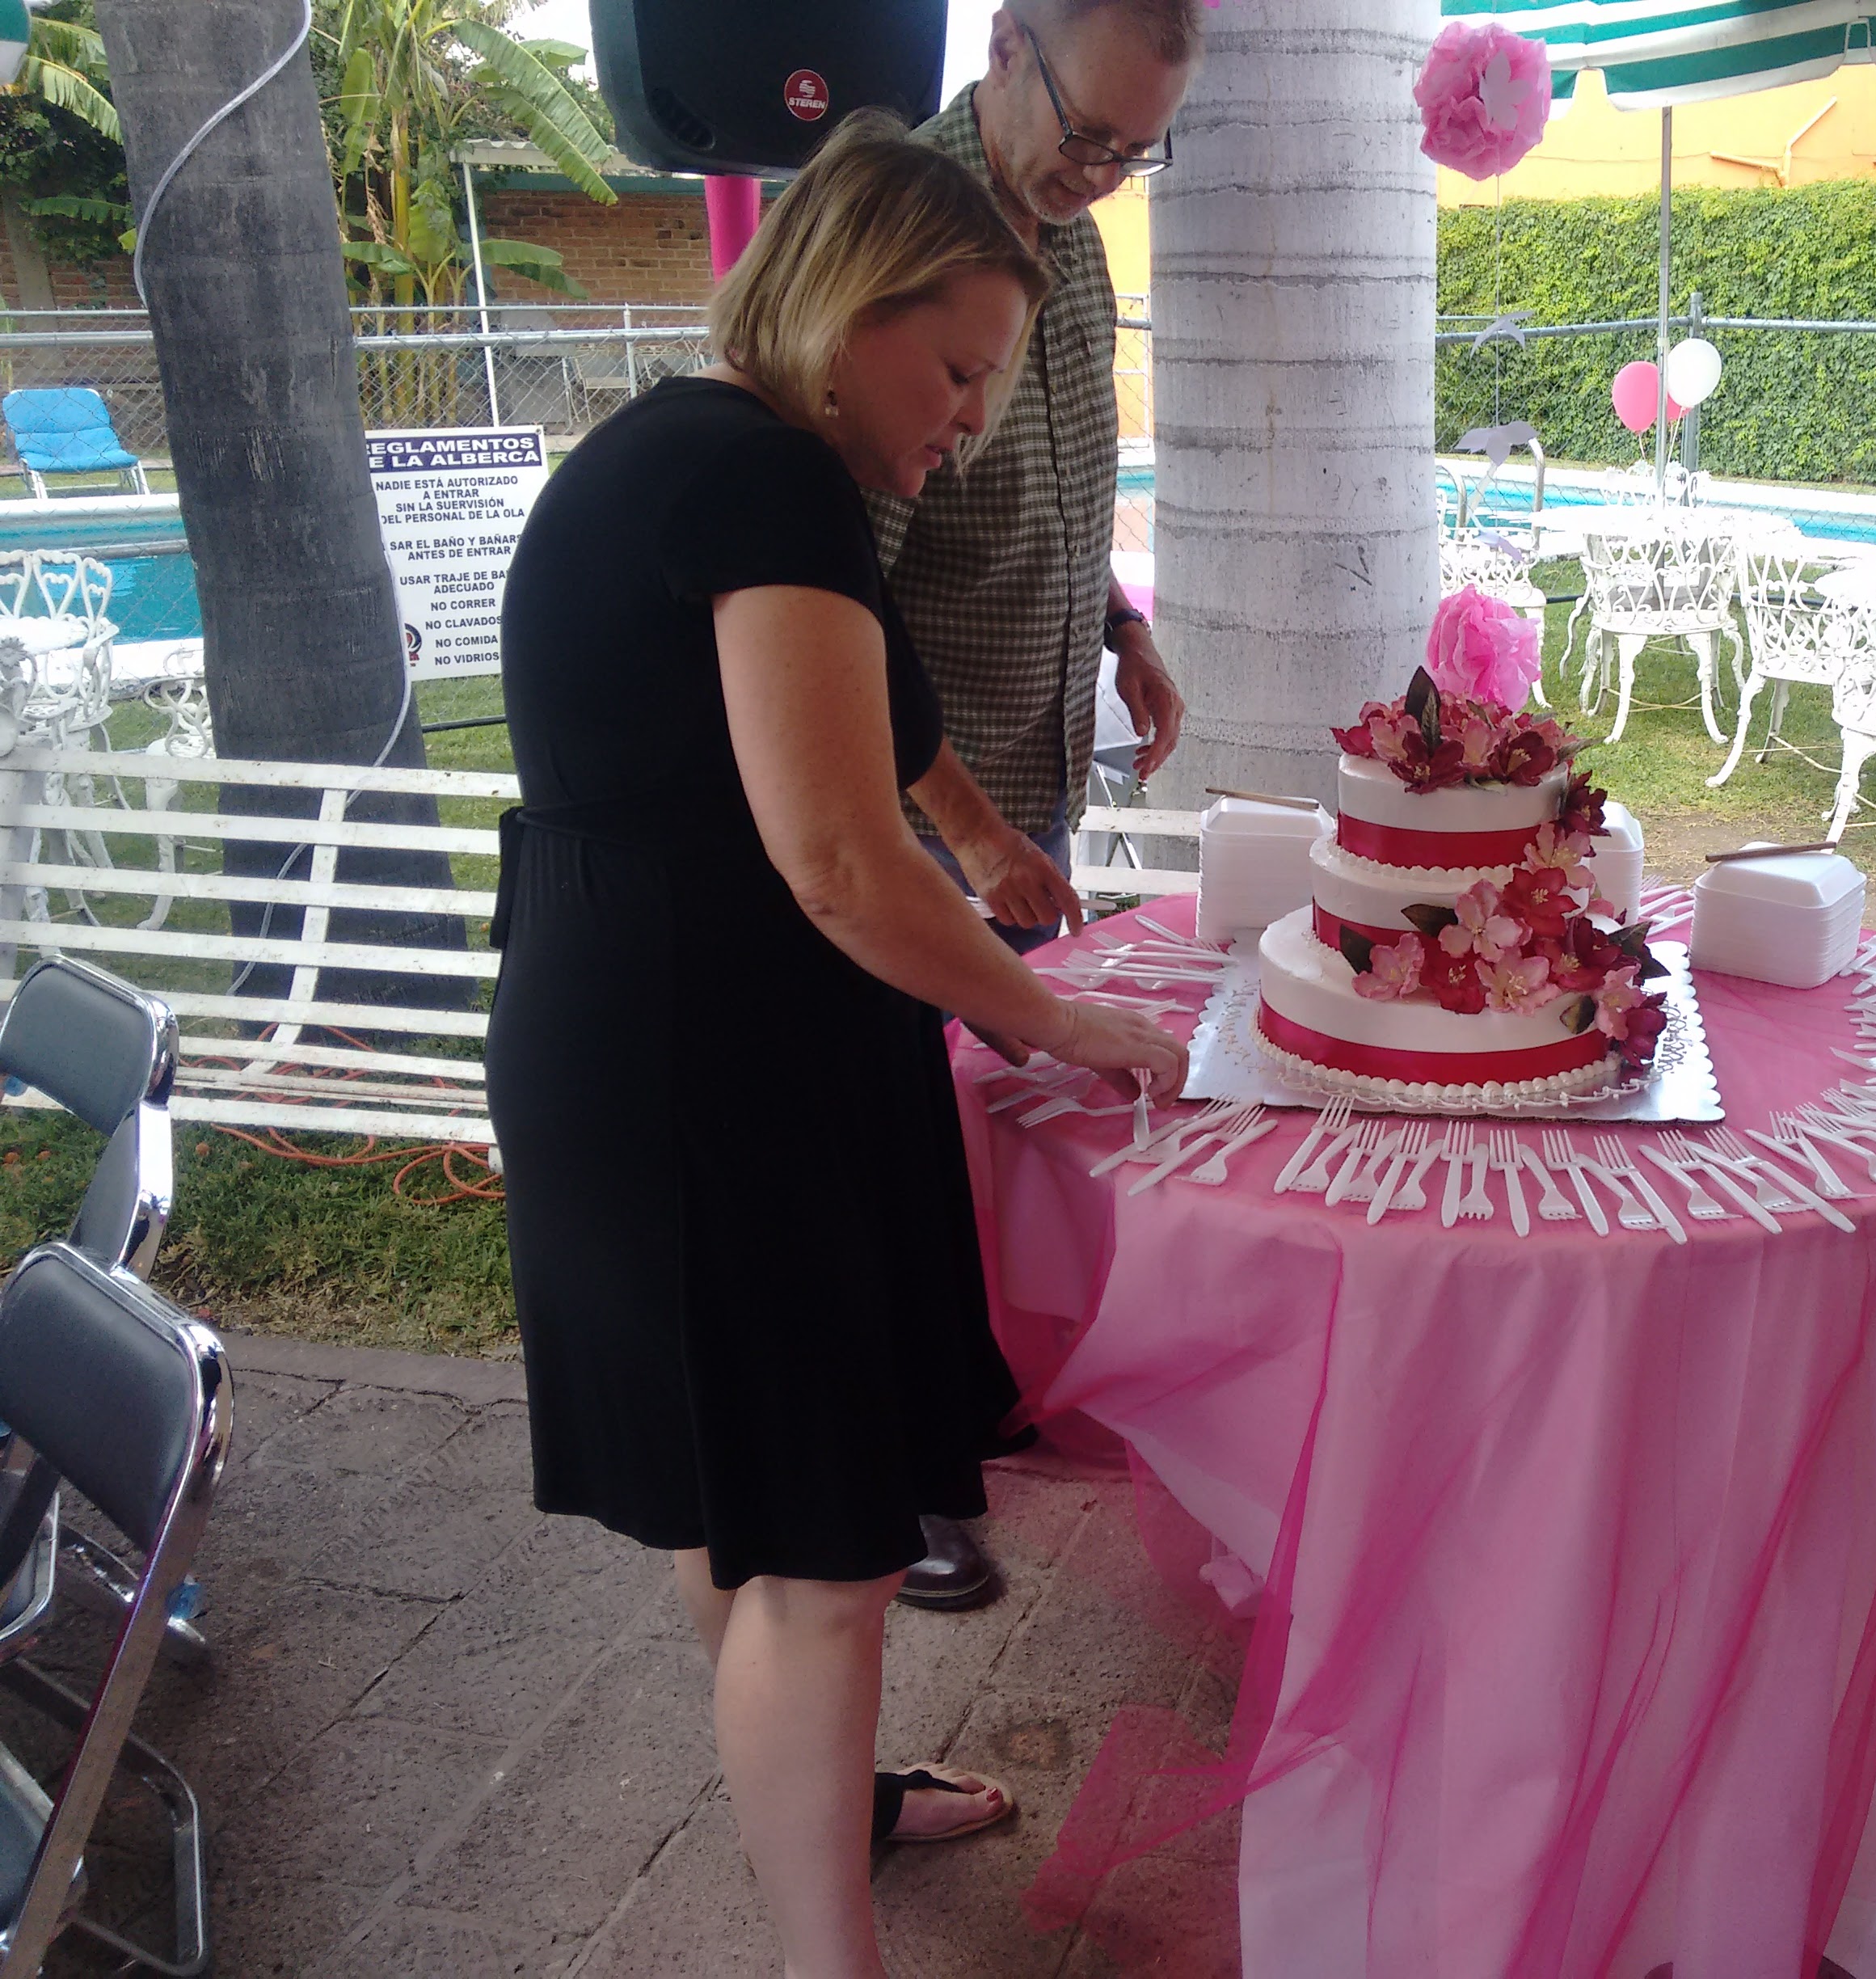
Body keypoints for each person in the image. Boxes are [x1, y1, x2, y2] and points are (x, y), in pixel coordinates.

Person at [486, 112, 1187, 1979]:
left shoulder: (692, 449)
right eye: (955, 367)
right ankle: (829, 1953)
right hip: (707, 1064)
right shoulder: (768, 483)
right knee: (823, 1550)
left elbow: (857, 730)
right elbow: (834, 858)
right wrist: (1055, 1013)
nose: (973, 414)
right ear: (850, 304)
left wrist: (985, 841)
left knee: (748, 1507)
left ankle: (833, 1807)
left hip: (636, 1029)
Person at [869, 0, 1203, 1610]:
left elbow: (1058, 488)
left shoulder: (1068, 240)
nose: (1103, 174)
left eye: (1137, 152)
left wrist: (1123, 629)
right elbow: (834, 602)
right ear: (1006, 46)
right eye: (1086, 135)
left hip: (1028, 775)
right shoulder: (902, 241)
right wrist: (967, 826)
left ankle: (978, 1390)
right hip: (907, 812)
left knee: (992, 1130)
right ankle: (894, 1479)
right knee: (896, 1144)